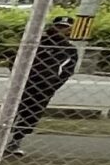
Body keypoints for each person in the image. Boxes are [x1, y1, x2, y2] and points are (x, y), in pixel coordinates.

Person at [8, 16, 81, 156]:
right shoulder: (36, 42)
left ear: (69, 30)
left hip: (44, 87)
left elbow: (67, 71)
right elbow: (14, 59)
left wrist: (53, 86)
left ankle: (15, 142)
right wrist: (16, 78)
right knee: (11, 111)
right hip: (24, 83)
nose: (61, 30)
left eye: (65, 28)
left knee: (31, 114)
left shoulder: (69, 50)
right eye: (59, 26)